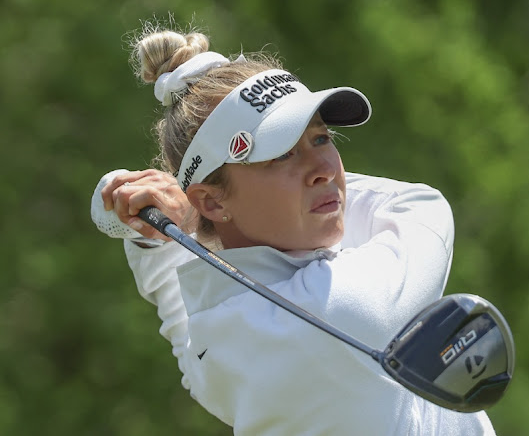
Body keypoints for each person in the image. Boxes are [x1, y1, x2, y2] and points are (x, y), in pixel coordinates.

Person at [94, 26, 496, 435]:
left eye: (321, 138)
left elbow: (177, 301)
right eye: (282, 154)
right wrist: (184, 206)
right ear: (212, 202)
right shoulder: (337, 307)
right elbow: (422, 205)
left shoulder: (215, 340)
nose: (325, 170)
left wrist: (154, 235)